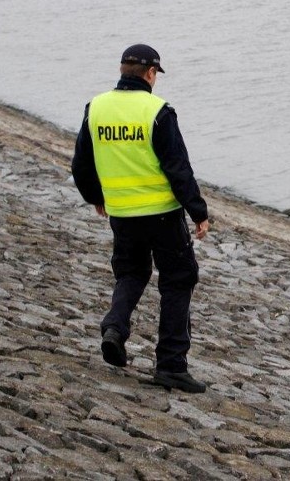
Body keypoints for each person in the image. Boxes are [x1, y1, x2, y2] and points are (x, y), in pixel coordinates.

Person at [71, 44, 210, 393]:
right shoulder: (158, 112)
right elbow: (178, 168)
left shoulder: (97, 108)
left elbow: (81, 164)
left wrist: (96, 198)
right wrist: (198, 211)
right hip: (162, 213)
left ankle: (115, 328)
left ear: (122, 71)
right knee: (178, 279)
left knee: (131, 273)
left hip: (121, 212)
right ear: (151, 74)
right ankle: (171, 366)